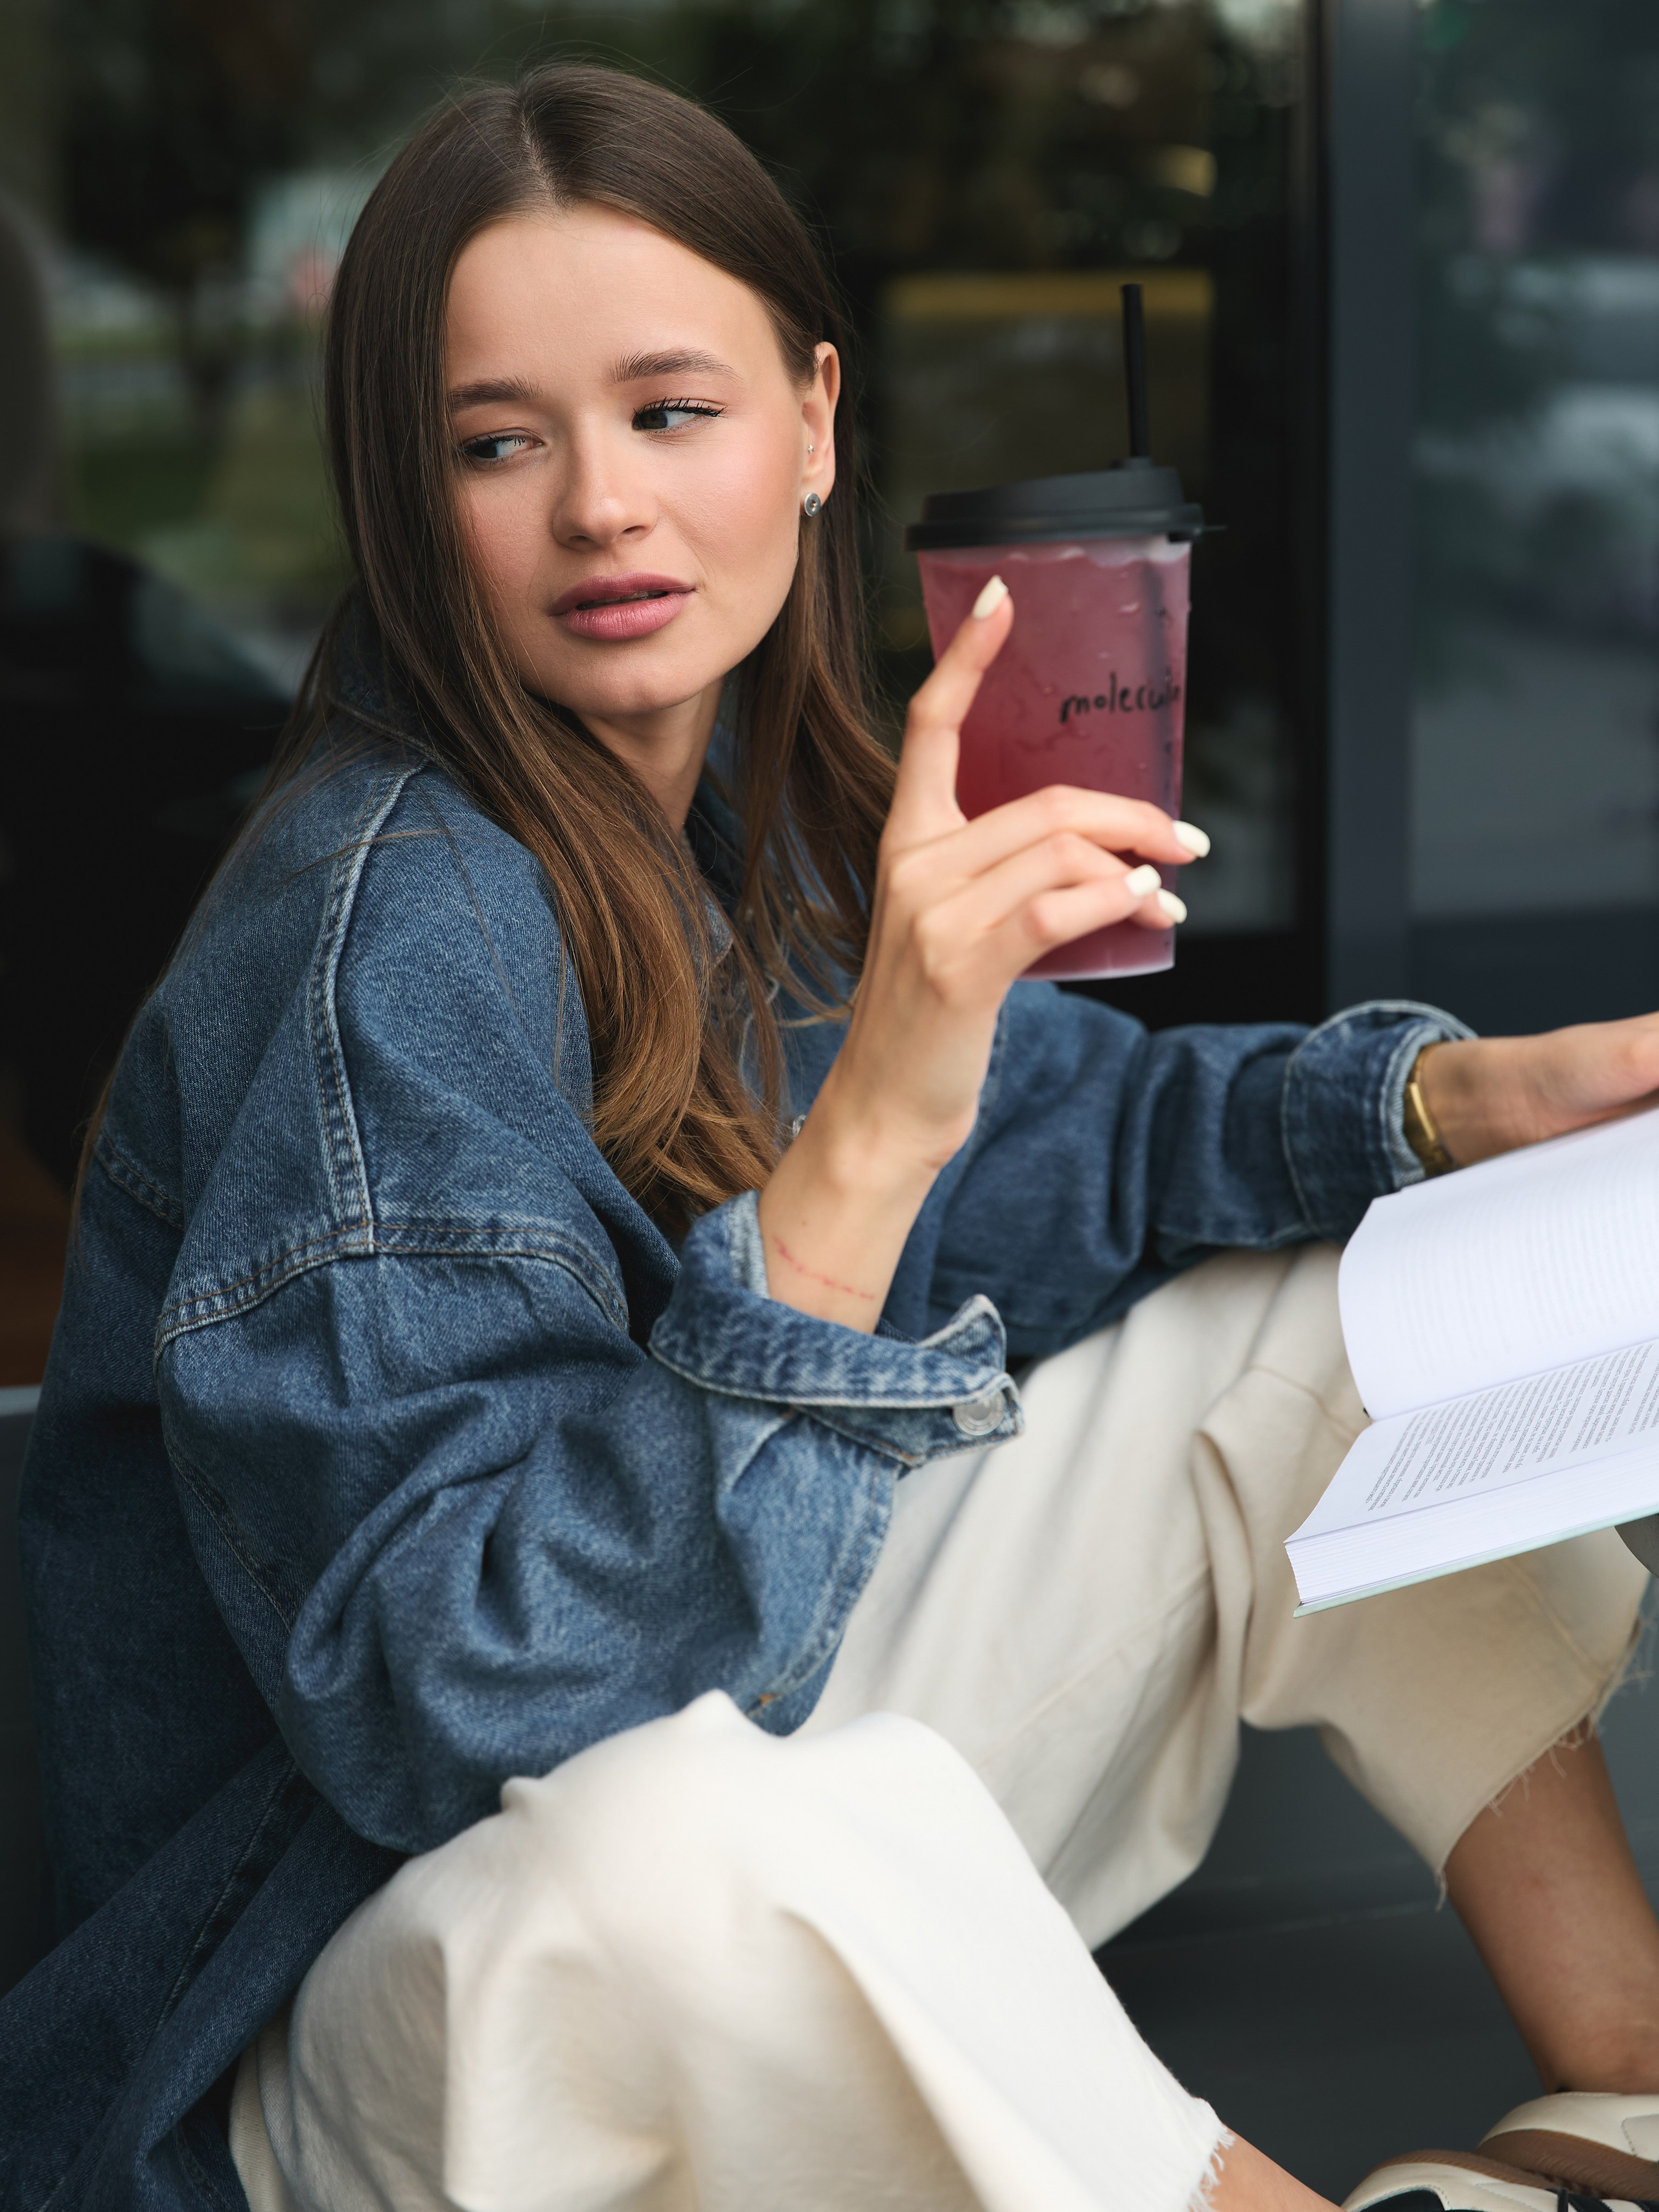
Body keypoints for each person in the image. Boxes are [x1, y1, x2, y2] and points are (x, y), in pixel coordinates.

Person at [9, 64, 1659, 2212]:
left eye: (670, 412)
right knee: (696, 1829)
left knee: (1310, 1315)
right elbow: (466, 1716)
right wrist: (856, 1158)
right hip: (354, 2031)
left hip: (661, 1819)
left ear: (809, 422)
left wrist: (1461, 1099)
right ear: (410, 505)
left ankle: (1624, 2085)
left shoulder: (728, 811)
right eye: (499, 442)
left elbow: (1088, 1139)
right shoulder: (383, 929)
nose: (602, 504)